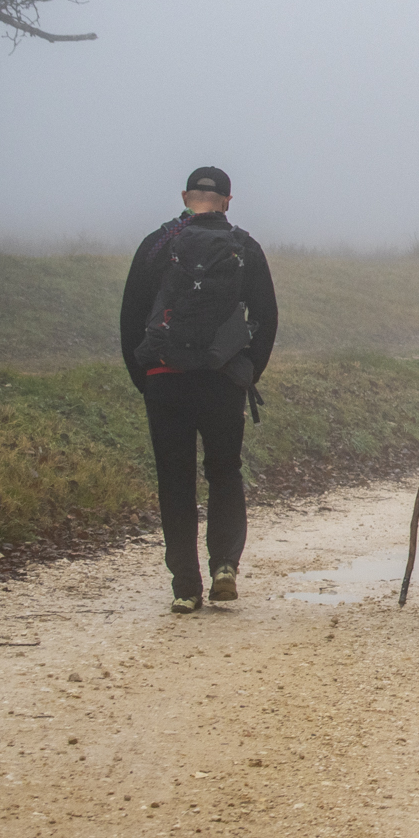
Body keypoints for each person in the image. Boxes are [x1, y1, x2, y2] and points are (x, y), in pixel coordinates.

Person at [119, 166, 279, 614]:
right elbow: (266, 318)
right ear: (227, 201)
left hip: (164, 379)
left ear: (186, 197)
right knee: (224, 470)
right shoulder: (245, 246)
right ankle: (224, 564)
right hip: (222, 379)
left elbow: (131, 318)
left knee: (175, 479)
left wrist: (145, 377)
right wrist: (247, 372)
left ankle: (185, 586)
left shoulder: (156, 245)